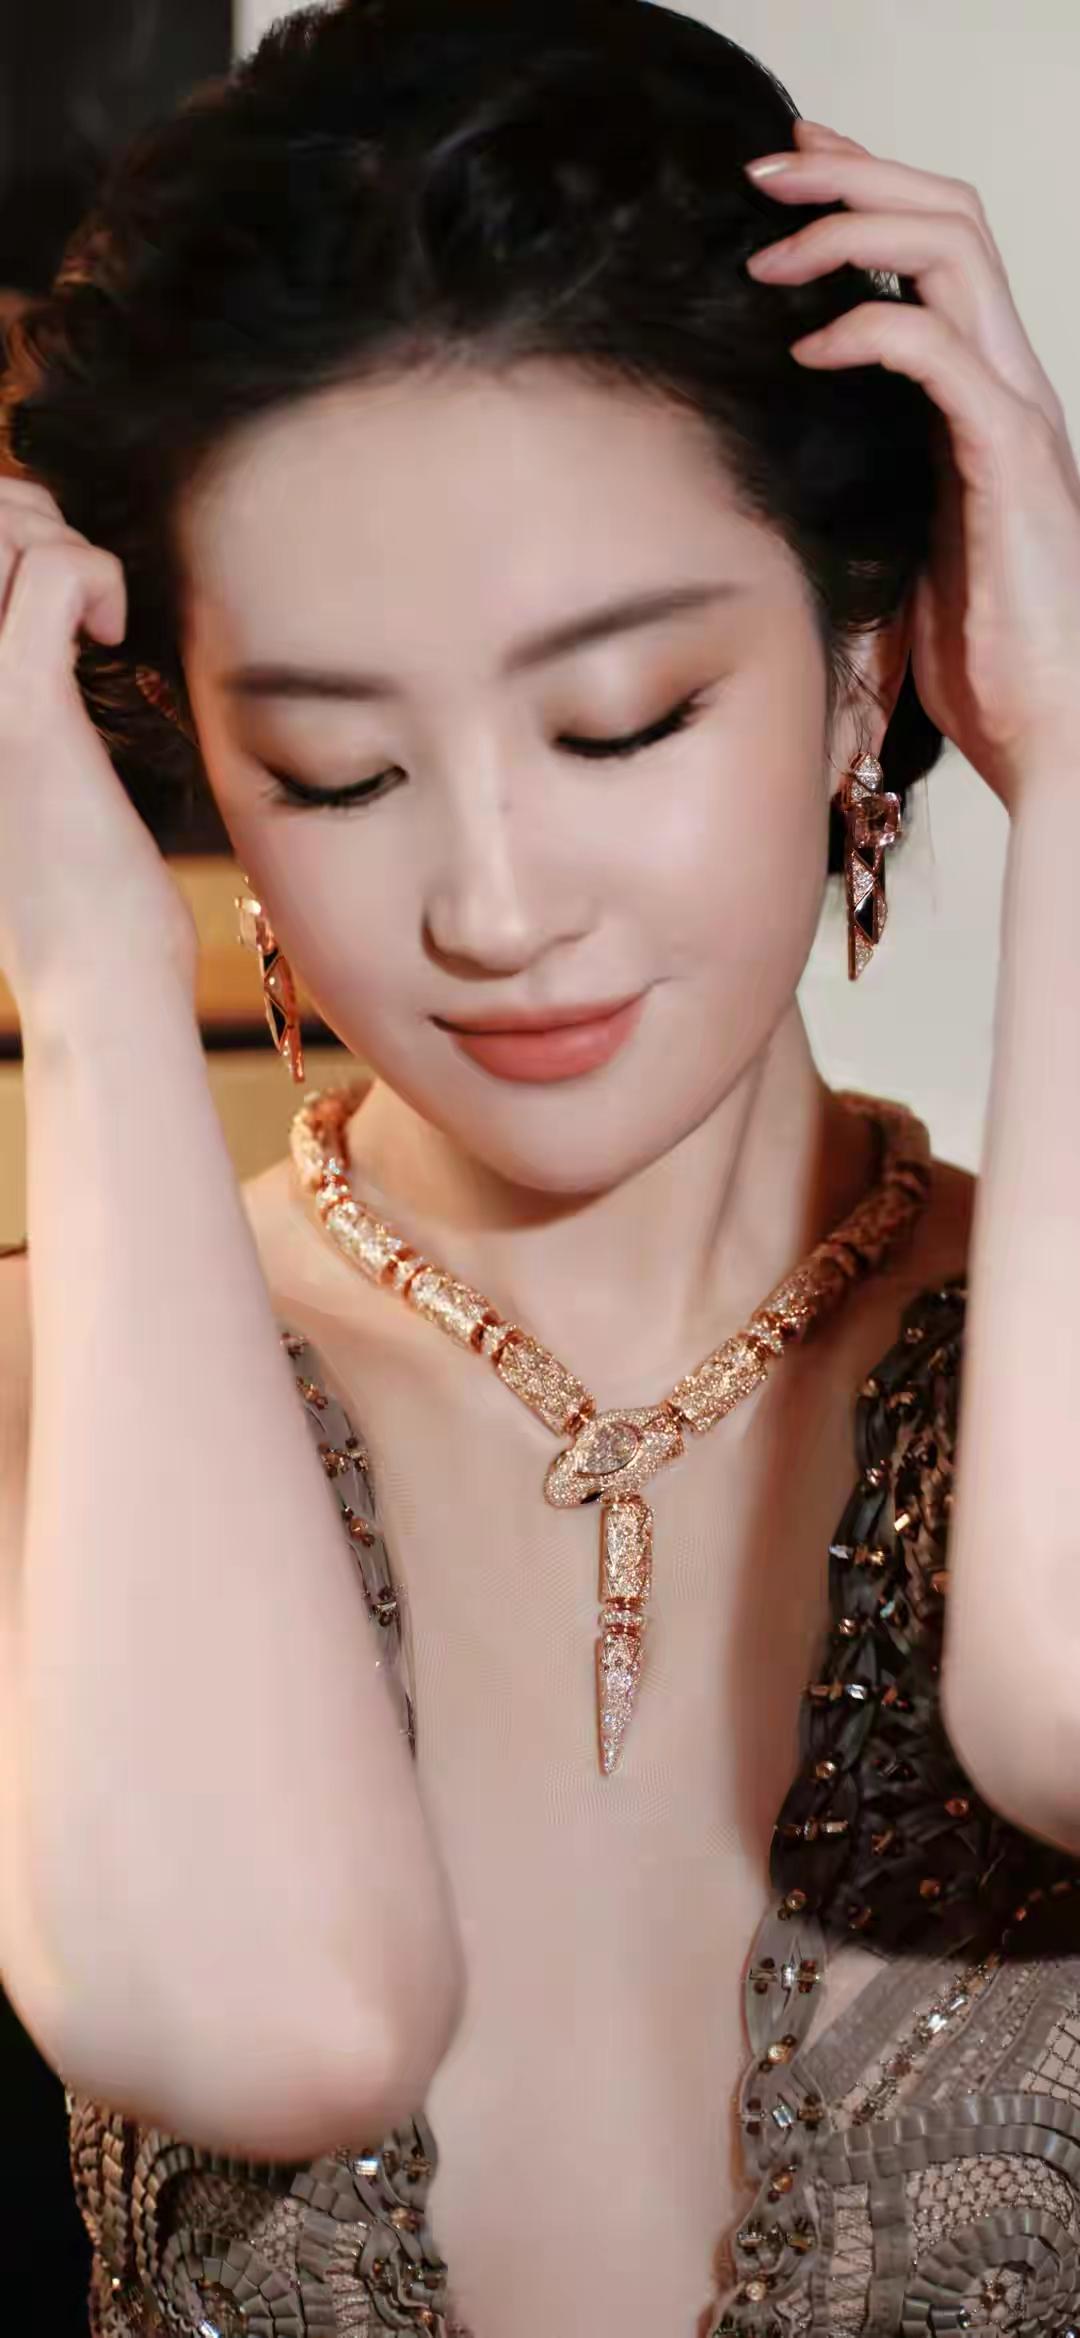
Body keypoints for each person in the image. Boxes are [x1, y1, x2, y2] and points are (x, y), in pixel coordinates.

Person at [1, 2, 1079, 2332]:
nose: (493, 908)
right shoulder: (37, 1391)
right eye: (336, 770)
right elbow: (268, 2018)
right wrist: (82, 972)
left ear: (869, 658)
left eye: (620, 720)